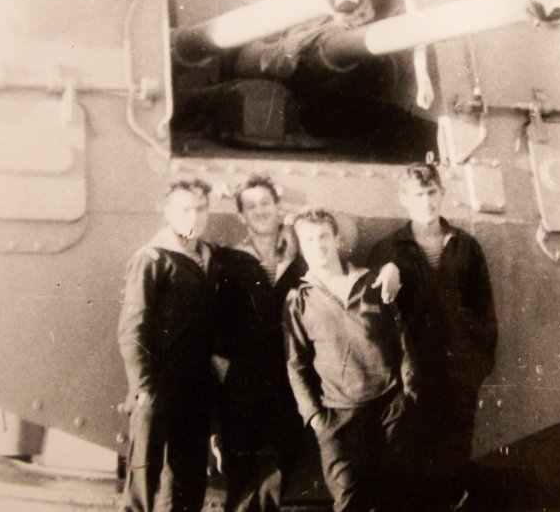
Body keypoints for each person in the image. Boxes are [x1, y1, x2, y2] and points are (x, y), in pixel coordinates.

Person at [117, 179, 263, 512]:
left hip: (196, 386)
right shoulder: (153, 259)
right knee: (143, 474)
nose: (193, 216)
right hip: (157, 384)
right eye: (185, 209)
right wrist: (143, 388)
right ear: (168, 212)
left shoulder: (208, 256)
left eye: (200, 208)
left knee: (187, 476)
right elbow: (132, 329)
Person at [367, 163, 498, 510]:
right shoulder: (389, 249)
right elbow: (376, 322)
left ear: (441, 194)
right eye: (417, 195)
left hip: (457, 376)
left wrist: (476, 368)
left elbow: (484, 310)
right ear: (404, 199)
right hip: (411, 378)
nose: (426, 202)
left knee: (452, 467)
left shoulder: (465, 245)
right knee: (408, 465)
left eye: (431, 193)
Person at [284, 208, 416, 512]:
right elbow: (295, 365)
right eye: (308, 240)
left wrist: (408, 395)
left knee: (394, 498)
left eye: (323, 237)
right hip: (338, 417)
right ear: (300, 247)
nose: (318, 246)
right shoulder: (298, 299)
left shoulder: (371, 282)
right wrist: (316, 419)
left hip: (389, 409)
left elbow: (402, 340)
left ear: (336, 239)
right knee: (349, 501)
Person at [219, 174, 308, 512]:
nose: (260, 211)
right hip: (243, 382)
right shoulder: (231, 261)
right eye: (251, 206)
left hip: (289, 380)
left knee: (276, 473)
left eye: (265, 203)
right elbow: (216, 320)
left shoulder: (299, 258)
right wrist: (226, 372)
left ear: (277, 207)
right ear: (241, 215)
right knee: (241, 476)